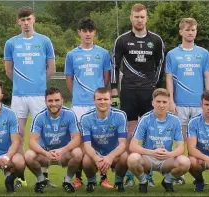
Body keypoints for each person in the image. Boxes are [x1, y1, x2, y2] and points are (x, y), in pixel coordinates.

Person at [111, 3, 165, 188]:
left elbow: (160, 66)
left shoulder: (156, 40)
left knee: (150, 133)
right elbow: (114, 65)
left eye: (142, 17)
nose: (139, 20)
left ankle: (147, 174)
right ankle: (128, 174)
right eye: (136, 16)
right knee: (130, 133)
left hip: (148, 91)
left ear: (146, 18)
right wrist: (113, 89)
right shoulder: (122, 40)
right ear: (131, 18)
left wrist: (156, 89)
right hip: (128, 91)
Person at [4, 6, 56, 187]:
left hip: (39, 96)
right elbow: (9, 70)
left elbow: (51, 68)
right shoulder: (11, 43)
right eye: (22, 20)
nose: (26, 23)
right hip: (18, 96)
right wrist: (22, 83)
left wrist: (39, 83)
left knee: (43, 135)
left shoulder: (44, 41)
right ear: (18, 22)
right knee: (17, 135)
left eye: (29, 19)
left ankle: (44, 175)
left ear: (34, 19)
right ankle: (20, 175)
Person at [64, 17, 112, 188]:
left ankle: (104, 178)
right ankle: (78, 178)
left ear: (94, 33)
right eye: (84, 31)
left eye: (90, 31)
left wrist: (99, 98)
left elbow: (106, 79)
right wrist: (78, 95)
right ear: (79, 32)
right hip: (78, 105)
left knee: (101, 140)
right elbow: (69, 80)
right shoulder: (71, 55)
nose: (87, 34)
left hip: (98, 104)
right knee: (80, 143)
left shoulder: (103, 53)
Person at [165, 17, 209, 185]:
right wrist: (171, 100)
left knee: (196, 142)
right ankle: (179, 174)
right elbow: (169, 79)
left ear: (196, 32)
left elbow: (207, 76)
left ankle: (197, 176)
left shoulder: (203, 53)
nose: (190, 32)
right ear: (181, 32)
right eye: (187, 30)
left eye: (193, 30)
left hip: (198, 104)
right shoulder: (172, 54)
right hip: (180, 104)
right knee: (180, 140)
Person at [127, 88, 190, 193]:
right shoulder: (145, 119)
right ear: (153, 103)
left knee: (185, 162)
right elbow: (133, 146)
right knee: (132, 159)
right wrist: (152, 152)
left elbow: (181, 148)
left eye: (164, 102)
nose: (161, 105)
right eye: (158, 102)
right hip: (148, 158)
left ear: (169, 103)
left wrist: (170, 154)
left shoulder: (175, 120)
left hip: (166, 159)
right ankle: (143, 181)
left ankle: (167, 181)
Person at [24, 87, 83, 193]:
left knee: (78, 152)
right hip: (45, 154)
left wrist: (62, 150)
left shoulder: (70, 114)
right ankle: (41, 180)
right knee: (28, 155)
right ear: (46, 101)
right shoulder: (39, 117)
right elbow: (31, 142)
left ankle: (67, 181)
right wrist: (45, 153)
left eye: (56, 100)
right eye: (50, 101)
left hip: (64, 154)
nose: (53, 104)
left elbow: (77, 138)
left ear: (62, 101)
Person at [80, 88, 128, 192]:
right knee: (87, 160)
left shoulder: (120, 115)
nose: (102, 102)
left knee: (124, 156)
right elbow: (87, 145)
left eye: (105, 99)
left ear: (111, 100)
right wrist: (96, 158)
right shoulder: (86, 118)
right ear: (94, 101)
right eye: (99, 99)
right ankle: (91, 182)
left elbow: (123, 144)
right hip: (96, 153)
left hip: (114, 153)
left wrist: (110, 156)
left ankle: (119, 182)